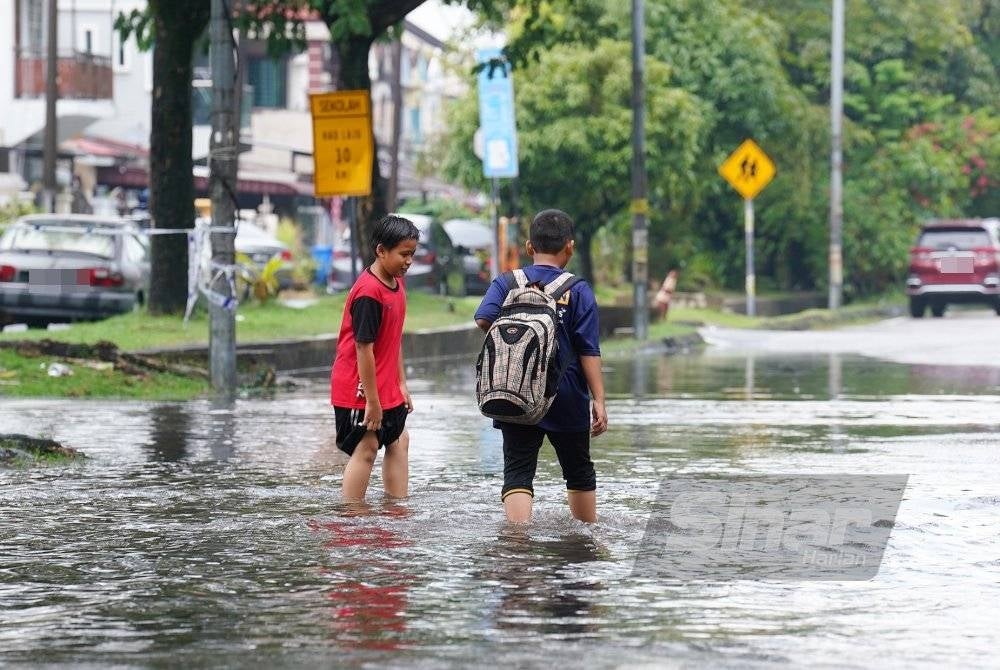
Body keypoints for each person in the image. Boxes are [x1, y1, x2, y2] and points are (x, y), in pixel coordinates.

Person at [475, 209, 608, 523]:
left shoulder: (507, 282)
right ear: (570, 247)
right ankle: (584, 539)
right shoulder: (578, 290)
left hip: (516, 388)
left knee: (518, 469)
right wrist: (599, 400)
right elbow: (589, 350)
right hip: (568, 393)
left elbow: (483, 318)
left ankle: (517, 542)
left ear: (529, 247)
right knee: (578, 471)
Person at [331, 215, 418, 500]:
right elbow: (363, 348)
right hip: (360, 388)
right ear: (381, 250)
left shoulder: (396, 282)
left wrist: (401, 383)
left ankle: (397, 508)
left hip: (386, 384)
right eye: (403, 254)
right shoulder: (369, 293)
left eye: (412, 255)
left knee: (398, 439)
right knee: (366, 447)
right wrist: (372, 401)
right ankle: (352, 515)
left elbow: (393, 339)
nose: (408, 261)